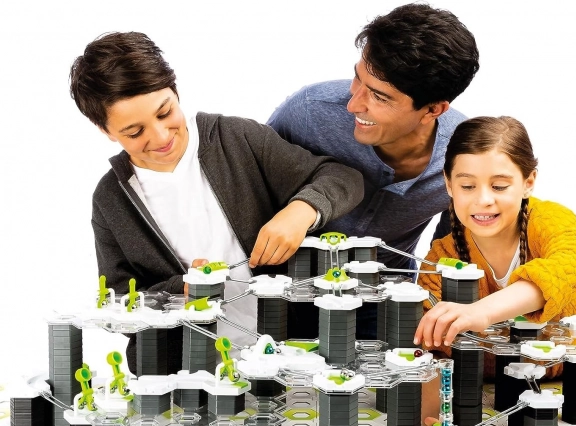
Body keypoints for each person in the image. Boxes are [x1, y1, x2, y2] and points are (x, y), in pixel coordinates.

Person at [69, 31, 363, 375]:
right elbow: (119, 298)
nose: (160, 137)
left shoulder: (237, 139)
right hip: (183, 375)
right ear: (104, 129)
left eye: (165, 112)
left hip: (287, 358)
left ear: (175, 91)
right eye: (135, 132)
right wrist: (180, 290)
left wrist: (302, 211)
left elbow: (344, 178)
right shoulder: (111, 199)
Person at [414, 115, 576, 426]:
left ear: (528, 182)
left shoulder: (549, 220)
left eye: (499, 186)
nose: (483, 200)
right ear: (448, 185)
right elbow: (431, 349)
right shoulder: (442, 255)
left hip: (562, 380)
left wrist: (480, 311)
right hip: (481, 394)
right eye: (467, 186)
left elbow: (567, 266)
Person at [267, 3, 480, 337]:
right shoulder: (308, 112)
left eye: (380, 97)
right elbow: (251, 184)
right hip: (282, 292)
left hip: (385, 302)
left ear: (432, 110)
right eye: (358, 77)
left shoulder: (464, 154)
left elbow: (453, 248)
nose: (354, 103)